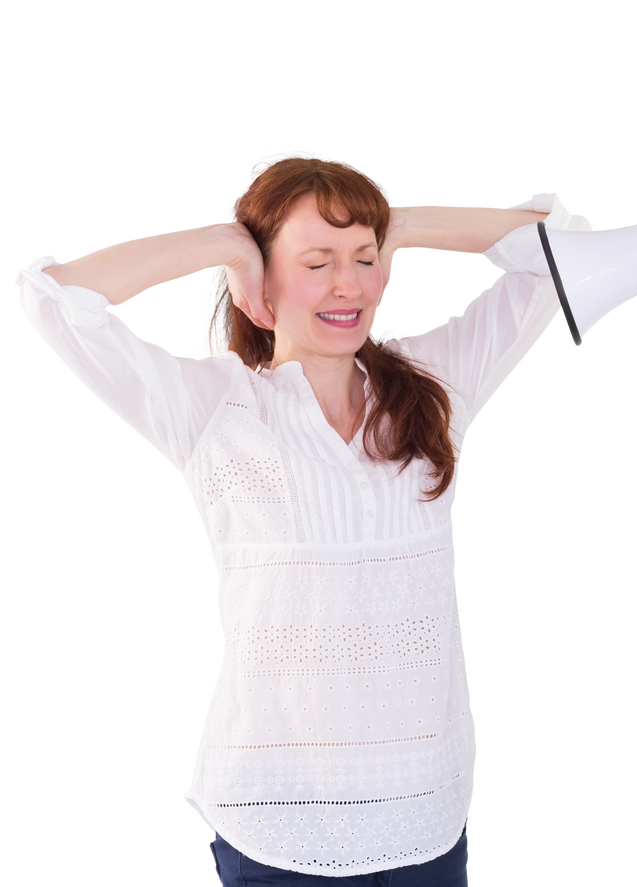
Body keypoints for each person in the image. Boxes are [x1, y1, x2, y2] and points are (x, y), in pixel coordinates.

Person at [13, 143, 593, 885]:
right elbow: (52, 296)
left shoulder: (437, 385)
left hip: (425, 815)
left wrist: (390, 222)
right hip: (271, 821)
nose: (347, 284)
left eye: (364, 258)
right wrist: (228, 240)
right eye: (316, 262)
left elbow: (560, 241)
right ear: (260, 288)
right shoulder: (214, 406)